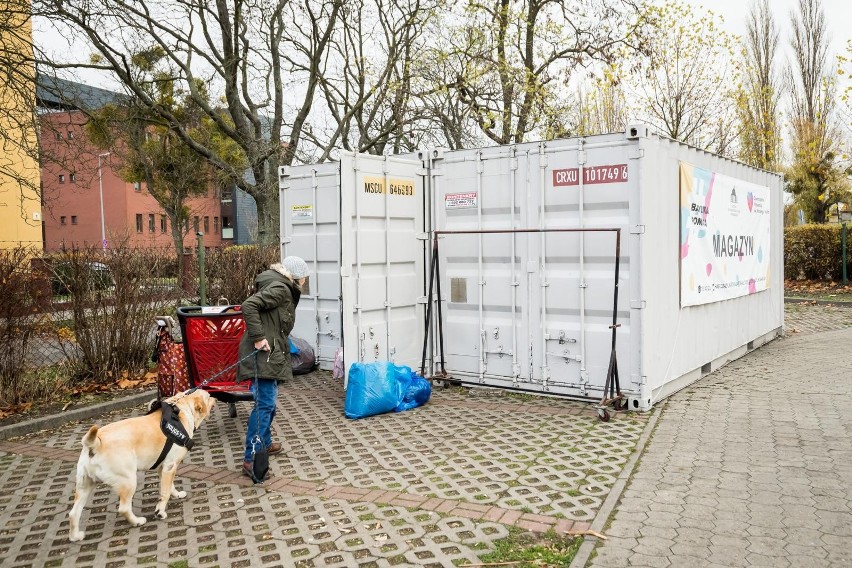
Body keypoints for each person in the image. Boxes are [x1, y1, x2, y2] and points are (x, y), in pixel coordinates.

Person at [237, 256, 309, 478]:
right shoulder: (281, 288)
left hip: (270, 353)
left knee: (268, 404)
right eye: (305, 277)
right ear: (298, 277)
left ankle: (265, 443)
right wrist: (259, 338)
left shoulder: (278, 285)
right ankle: (251, 460)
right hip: (263, 354)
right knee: (265, 405)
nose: (306, 282)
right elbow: (249, 306)